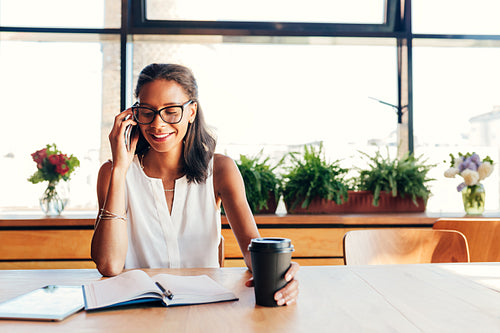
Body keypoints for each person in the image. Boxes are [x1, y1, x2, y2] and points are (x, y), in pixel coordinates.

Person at [91, 63, 299, 306]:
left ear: (191, 112)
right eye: (147, 111)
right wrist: (120, 169)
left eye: (171, 111)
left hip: (204, 310)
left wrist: (281, 272)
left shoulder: (221, 170)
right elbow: (109, 265)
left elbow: (253, 251)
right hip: (138, 311)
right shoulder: (112, 172)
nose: (157, 124)